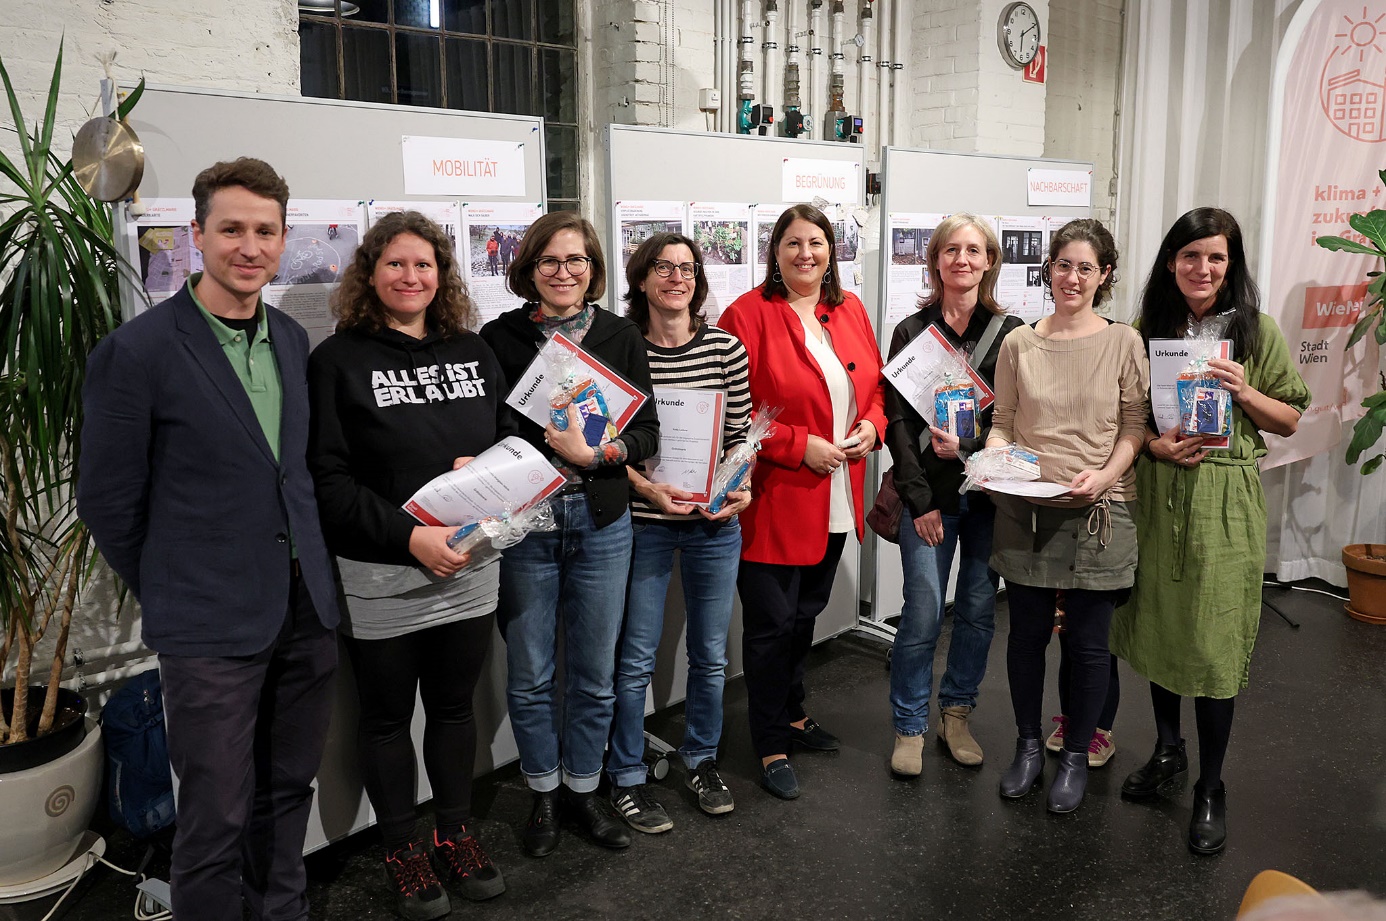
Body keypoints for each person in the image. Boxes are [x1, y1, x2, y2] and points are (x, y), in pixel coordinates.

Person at [78, 158, 340, 921]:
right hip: (206, 621)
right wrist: (176, 580)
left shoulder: (291, 338)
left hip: (305, 608)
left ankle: (280, 912)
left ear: (283, 239)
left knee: (289, 788)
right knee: (216, 813)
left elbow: (290, 476)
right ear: (197, 235)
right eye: (231, 229)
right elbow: (108, 501)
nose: (249, 246)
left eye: (265, 231)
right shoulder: (139, 352)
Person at [307, 211, 511, 919]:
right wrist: (408, 536)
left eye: (423, 265)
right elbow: (328, 480)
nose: (411, 276)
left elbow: (507, 441)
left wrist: (487, 468)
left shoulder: (474, 350)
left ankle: (455, 833)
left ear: (442, 274)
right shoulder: (337, 360)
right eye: (395, 264)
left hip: (471, 563)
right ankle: (402, 846)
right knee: (388, 717)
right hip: (382, 573)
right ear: (370, 274)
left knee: (455, 707)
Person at [1109, 207, 1309, 855]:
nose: (1202, 268)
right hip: (1161, 494)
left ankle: (1211, 785)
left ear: (1232, 265)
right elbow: (1127, 419)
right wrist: (1152, 451)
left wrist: (1245, 392)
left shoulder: (1257, 332)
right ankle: (1170, 751)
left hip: (1224, 498)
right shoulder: (1146, 331)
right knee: (1163, 623)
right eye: (1191, 255)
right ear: (1171, 260)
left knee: (1214, 639)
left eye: (1216, 257)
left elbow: (1289, 420)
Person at [479, 212, 660, 856]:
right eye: (550, 262)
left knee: (593, 672)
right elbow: (487, 431)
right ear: (528, 269)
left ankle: (584, 791)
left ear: (593, 268)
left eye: (576, 261)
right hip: (529, 523)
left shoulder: (618, 335)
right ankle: (543, 796)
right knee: (529, 672)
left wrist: (602, 455)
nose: (564, 273)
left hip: (603, 519)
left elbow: (648, 435)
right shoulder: (498, 337)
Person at [718, 204, 887, 800]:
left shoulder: (849, 309)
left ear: (830, 251)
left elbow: (874, 389)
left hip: (838, 493)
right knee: (770, 627)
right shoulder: (746, 315)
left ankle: (790, 714)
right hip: (776, 498)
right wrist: (796, 445)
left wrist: (873, 427)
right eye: (793, 244)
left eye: (816, 243)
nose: (805, 254)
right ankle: (767, 741)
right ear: (775, 251)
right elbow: (731, 416)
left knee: (805, 617)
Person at [986, 218, 1148, 815]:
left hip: (1102, 508)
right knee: (1026, 638)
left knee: (1087, 645)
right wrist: (997, 456)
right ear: (1047, 269)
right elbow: (1002, 421)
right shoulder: (1019, 343)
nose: (1071, 277)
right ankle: (1029, 746)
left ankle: (1076, 753)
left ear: (1104, 275)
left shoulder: (1123, 342)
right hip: (1027, 509)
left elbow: (1135, 425)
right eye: (1062, 265)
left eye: (1086, 267)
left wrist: (1105, 475)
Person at [607, 233, 752, 832]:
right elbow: (607, 437)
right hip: (644, 524)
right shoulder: (621, 347)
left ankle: (700, 759)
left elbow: (743, 436)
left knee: (711, 656)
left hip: (714, 524)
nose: (676, 278)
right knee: (635, 658)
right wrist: (648, 489)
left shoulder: (725, 348)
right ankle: (627, 775)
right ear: (641, 280)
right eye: (662, 268)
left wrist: (742, 486)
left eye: (687, 268)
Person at [883, 213, 1022, 775]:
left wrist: (972, 443)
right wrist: (919, 499)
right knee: (920, 615)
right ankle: (910, 725)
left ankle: (957, 713)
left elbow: (1021, 419)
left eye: (973, 250)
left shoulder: (1012, 334)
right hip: (930, 500)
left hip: (990, 496)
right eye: (950, 250)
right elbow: (895, 422)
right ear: (935, 260)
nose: (961, 259)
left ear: (989, 261)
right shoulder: (911, 333)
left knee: (976, 611)